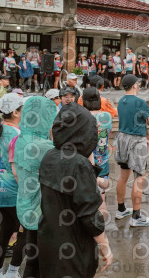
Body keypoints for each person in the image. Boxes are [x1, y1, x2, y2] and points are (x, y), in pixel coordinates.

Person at [38, 103, 113, 277]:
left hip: (48, 241)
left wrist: (87, 145)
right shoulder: (79, 165)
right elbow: (89, 214)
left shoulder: (50, 156)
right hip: (73, 248)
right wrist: (105, 246)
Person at [14, 95, 57, 278]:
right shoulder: (42, 145)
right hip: (40, 211)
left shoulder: (22, 138)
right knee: (42, 261)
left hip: (26, 205)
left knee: (33, 258)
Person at [0, 93, 26, 278]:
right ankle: (12, 271)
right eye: (23, 108)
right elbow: (19, 167)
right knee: (25, 233)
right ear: (15, 112)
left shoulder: (0, 128)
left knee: (4, 232)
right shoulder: (17, 134)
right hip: (13, 188)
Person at [114, 74, 149, 226]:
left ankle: (121, 209)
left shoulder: (121, 101)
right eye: (137, 84)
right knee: (139, 177)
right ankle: (136, 217)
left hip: (122, 139)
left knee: (123, 176)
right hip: (137, 141)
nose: (139, 86)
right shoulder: (139, 102)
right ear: (134, 85)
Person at [82, 88, 114, 226]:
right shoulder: (107, 116)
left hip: (86, 163)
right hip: (103, 161)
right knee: (101, 197)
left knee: (86, 199)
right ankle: (101, 227)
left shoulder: (83, 118)